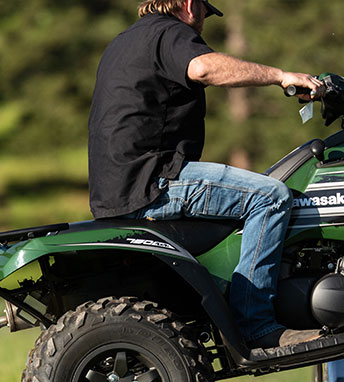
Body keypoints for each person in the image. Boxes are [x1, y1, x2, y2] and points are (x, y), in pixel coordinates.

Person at [88, 0, 324, 351]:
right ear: (188, 4)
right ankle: (256, 324)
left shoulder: (124, 40)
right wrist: (281, 76)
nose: (202, 26)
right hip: (155, 181)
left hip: (120, 188)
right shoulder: (169, 32)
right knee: (271, 196)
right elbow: (202, 68)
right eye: (203, 14)